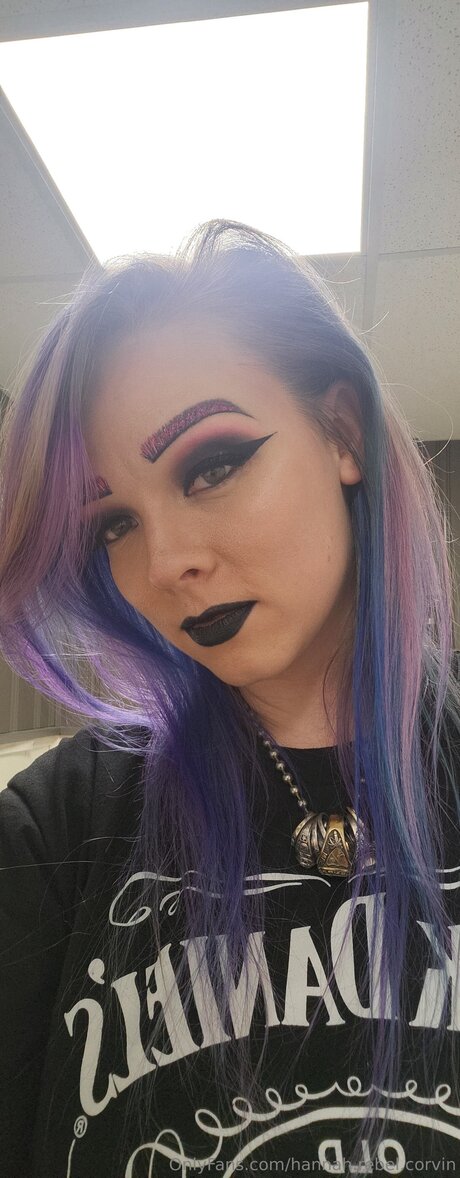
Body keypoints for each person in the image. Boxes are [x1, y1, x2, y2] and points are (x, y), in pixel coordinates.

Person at [0, 218, 460, 1177]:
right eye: (114, 524)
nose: (165, 563)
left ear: (342, 434)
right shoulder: (64, 824)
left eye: (211, 466)